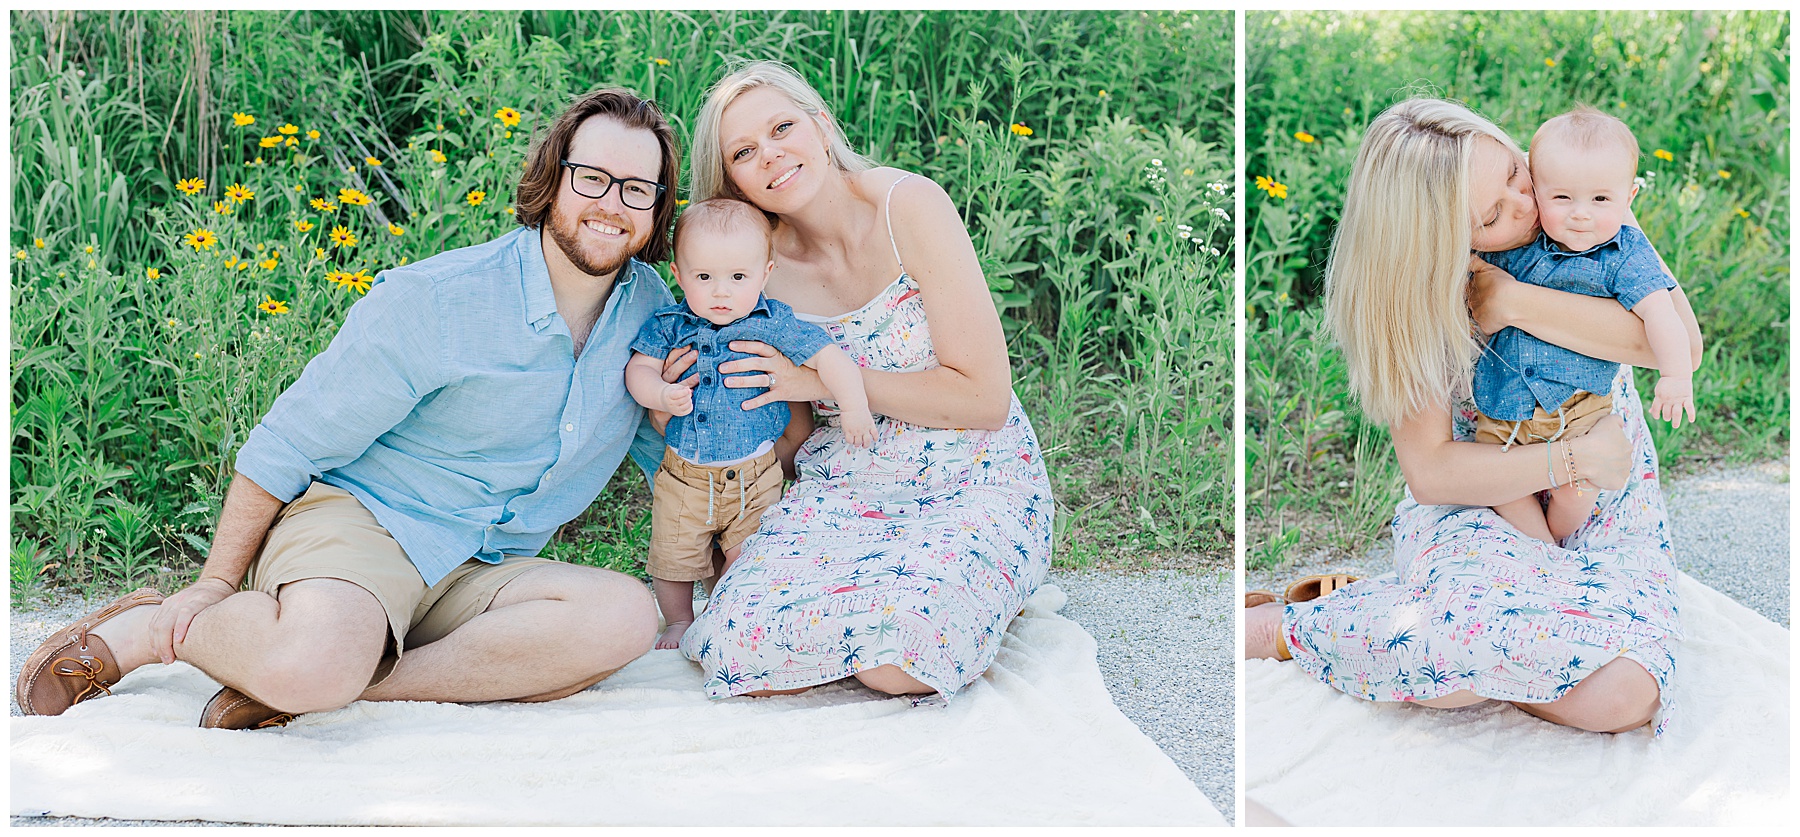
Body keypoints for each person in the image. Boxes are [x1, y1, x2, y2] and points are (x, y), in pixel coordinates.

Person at [15, 88, 682, 730]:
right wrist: (214, 582)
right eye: (591, 177)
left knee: (624, 615)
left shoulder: (652, 316)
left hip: (486, 567)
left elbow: (675, 454)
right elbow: (288, 441)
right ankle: (148, 628)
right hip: (366, 527)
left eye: (636, 189)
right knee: (312, 661)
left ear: (656, 207)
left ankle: (340, 684)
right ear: (554, 178)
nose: (612, 203)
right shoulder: (440, 300)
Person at [1245, 97, 1703, 736]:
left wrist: (1514, 300)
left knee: (1623, 698)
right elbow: (1433, 472)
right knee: (1445, 670)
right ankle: (1293, 627)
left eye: (1517, 175)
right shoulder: (1413, 299)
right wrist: (1568, 459)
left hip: (1605, 503)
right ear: (1443, 243)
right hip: (1484, 506)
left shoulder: (1580, 205)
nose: (1527, 206)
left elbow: (1676, 342)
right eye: (1492, 214)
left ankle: (1475, 642)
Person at [669, 60, 1054, 700]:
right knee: (733, 648)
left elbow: (983, 398)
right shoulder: (755, 267)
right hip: (845, 488)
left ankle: (955, 592)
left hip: (970, 477)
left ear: (820, 126)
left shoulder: (909, 206)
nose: (771, 155)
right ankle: (867, 611)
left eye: (782, 127)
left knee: (900, 659)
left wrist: (820, 384)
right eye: (744, 151)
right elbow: (784, 423)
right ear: (733, 179)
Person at [626, 197, 875, 650]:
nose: (721, 292)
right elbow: (638, 370)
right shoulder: (669, 326)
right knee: (673, 556)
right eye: (704, 278)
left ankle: (726, 615)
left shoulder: (771, 323)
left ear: (765, 273)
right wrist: (660, 393)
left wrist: (853, 404)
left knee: (747, 558)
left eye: (738, 277)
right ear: (678, 276)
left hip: (756, 476)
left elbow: (829, 357)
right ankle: (680, 620)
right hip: (684, 475)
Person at [1473, 106, 1696, 544]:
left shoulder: (1624, 253)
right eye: (1562, 198)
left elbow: (1662, 314)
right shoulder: (1518, 239)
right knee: (1492, 477)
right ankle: (1539, 547)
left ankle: (1556, 543)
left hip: (1580, 413)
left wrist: (1675, 376)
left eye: (1600, 199)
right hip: (1502, 409)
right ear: (1537, 190)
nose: (1581, 214)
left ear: (1628, 198)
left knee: (1579, 489)